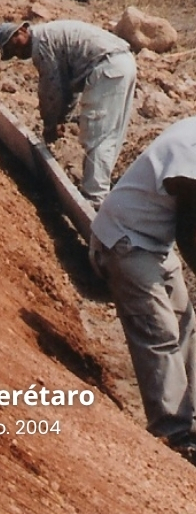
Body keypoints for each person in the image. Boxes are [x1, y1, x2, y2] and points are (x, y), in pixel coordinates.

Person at [89, 117, 196, 461]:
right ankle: (175, 435)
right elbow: (191, 233)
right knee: (159, 332)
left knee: (185, 325)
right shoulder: (189, 153)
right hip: (125, 239)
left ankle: (191, 417)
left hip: (155, 241)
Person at [0, 19, 137, 206]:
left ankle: (95, 197)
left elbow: (51, 89)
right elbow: (69, 86)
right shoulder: (49, 35)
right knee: (110, 134)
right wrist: (63, 118)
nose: (18, 54)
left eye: (15, 46)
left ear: (22, 30)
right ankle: (100, 189)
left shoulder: (41, 43)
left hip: (107, 67)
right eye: (12, 54)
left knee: (98, 134)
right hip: (123, 63)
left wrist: (51, 124)